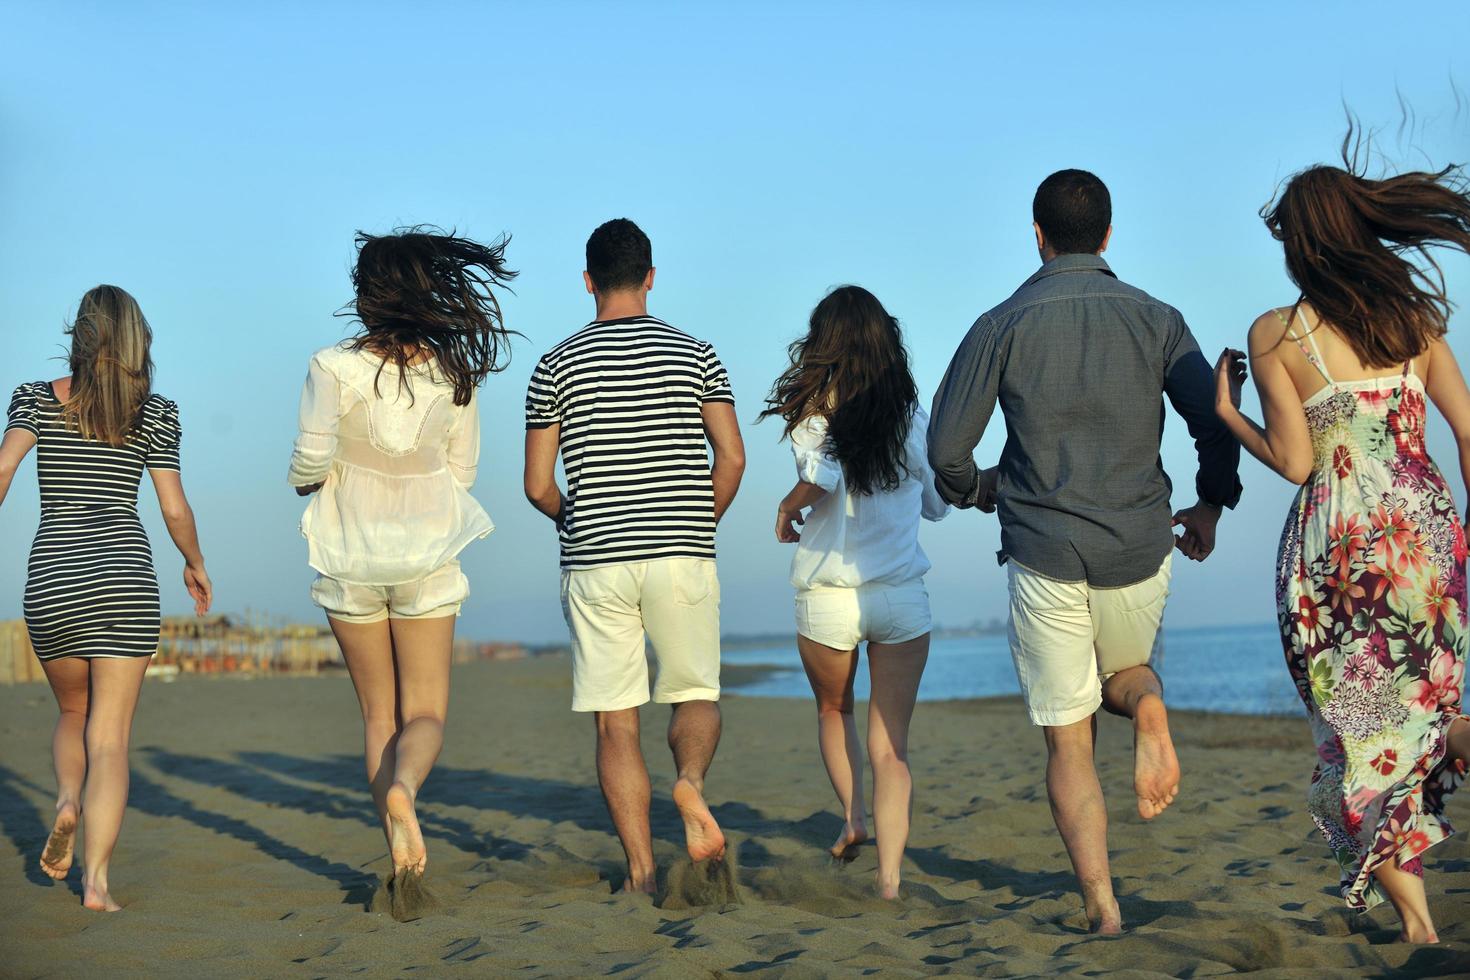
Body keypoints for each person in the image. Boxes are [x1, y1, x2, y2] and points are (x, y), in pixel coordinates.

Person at [927, 169, 1241, 933]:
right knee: (1125, 675)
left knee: (1069, 739)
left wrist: (988, 490)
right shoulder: (1158, 319)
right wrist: (1209, 503)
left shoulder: (1000, 323)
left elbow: (944, 451)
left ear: (1036, 235)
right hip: (1141, 545)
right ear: (1107, 235)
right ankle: (1152, 708)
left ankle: (1102, 907)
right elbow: (1216, 419)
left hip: (1044, 547)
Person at [1212, 147, 1470, 944]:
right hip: (1423, 537)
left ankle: (1421, 929)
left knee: (1358, 736)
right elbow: (1466, 428)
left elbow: (1295, 463)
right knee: (1424, 712)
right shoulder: (1414, 321)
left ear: (1300, 244)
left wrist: (1229, 416)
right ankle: (1422, 917)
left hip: (1338, 555)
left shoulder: (1276, 334)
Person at [287, 229, 514, 891]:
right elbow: (464, 473)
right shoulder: (455, 374)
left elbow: (309, 458)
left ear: (366, 299)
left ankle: (396, 841)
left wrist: (309, 481)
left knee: (377, 716)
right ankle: (406, 791)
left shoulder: (329, 364)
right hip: (427, 557)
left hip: (347, 551)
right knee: (426, 716)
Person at [524, 218, 745, 893]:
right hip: (680, 551)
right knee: (697, 694)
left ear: (588, 281)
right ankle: (688, 782)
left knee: (616, 721)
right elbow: (731, 456)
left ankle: (644, 874)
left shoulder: (554, 365)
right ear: (651, 276)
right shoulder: (696, 354)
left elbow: (537, 486)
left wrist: (580, 521)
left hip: (595, 560)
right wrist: (695, 521)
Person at [0, 285, 211, 911]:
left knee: (72, 713)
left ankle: (66, 801)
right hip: (123, 580)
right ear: (135, 340)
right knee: (111, 738)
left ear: (80, 335)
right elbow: (173, 507)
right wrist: (194, 562)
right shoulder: (157, 413)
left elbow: (4, 470)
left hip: (54, 580)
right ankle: (96, 884)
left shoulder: (35, 399)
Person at [759, 285, 947, 900]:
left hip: (828, 596)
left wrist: (788, 508)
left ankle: (852, 817)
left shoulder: (813, 416)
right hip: (900, 596)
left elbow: (824, 476)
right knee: (891, 747)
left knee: (833, 711)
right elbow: (939, 503)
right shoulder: (910, 418)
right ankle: (890, 884)